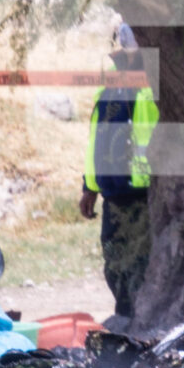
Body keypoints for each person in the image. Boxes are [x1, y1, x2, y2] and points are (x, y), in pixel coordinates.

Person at [78, 24, 157, 322]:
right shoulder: (107, 89)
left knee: (142, 264)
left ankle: (140, 321)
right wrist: (89, 187)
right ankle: (125, 318)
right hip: (113, 194)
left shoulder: (155, 88)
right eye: (118, 57)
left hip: (145, 195)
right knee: (114, 264)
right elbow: (95, 143)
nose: (119, 62)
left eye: (126, 57)